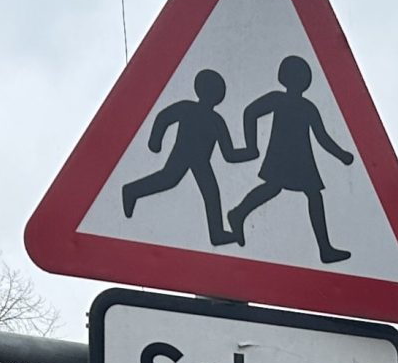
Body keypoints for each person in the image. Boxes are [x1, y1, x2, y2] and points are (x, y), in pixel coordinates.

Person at [228, 54, 358, 263]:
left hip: (302, 158)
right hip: (282, 156)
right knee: (277, 188)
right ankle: (238, 213)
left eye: (303, 77)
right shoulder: (277, 99)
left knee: (307, 194)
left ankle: (325, 249)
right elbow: (250, 112)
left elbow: (322, 136)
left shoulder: (308, 107)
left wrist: (341, 154)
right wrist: (252, 145)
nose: (301, 80)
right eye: (298, 76)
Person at [121, 67, 252, 244]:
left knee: (209, 191)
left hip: (201, 160)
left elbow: (228, 154)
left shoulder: (216, 121)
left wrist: (249, 153)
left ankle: (216, 233)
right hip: (182, 153)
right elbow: (164, 118)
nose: (213, 95)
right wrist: (155, 141)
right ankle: (131, 191)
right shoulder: (189, 108)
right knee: (169, 179)